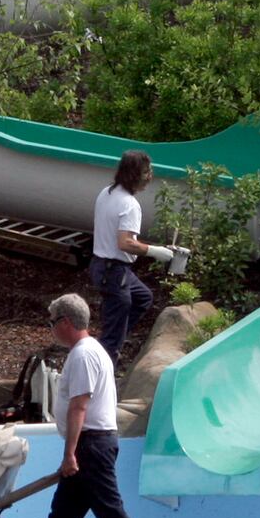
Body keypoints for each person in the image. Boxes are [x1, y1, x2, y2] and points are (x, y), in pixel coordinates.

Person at [0, 293, 154, 518]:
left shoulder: (83, 355)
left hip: (91, 445)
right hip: (93, 443)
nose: (51, 328)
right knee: (62, 516)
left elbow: (79, 406)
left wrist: (70, 453)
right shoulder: (92, 350)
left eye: (52, 322)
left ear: (66, 321)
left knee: (110, 513)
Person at [89, 150, 172, 363]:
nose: (150, 176)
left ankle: (116, 333)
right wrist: (155, 251)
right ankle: (102, 377)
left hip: (102, 266)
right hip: (114, 272)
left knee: (143, 298)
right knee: (111, 341)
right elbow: (125, 243)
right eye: (146, 172)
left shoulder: (106, 192)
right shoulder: (130, 205)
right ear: (133, 174)